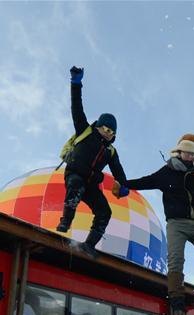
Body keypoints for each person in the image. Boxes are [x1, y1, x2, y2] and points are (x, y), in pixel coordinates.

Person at [125, 134, 194, 315]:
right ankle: (177, 306)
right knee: (176, 260)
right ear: (179, 152)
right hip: (177, 224)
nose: (190, 157)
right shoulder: (166, 172)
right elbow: (146, 181)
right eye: (187, 153)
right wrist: (125, 186)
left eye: (193, 154)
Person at [57, 66, 129, 259]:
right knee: (75, 187)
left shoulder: (110, 151)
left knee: (105, 211)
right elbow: (76, 107)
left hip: (91, 183)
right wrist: (76, 83)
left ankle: (90, 245)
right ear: (98, 125)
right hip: (75, 173)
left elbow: (118, 171)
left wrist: (123, 185)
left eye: (112, 132)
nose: (108, 133)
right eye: (106, 128)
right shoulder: (84, 130)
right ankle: (66, 221)